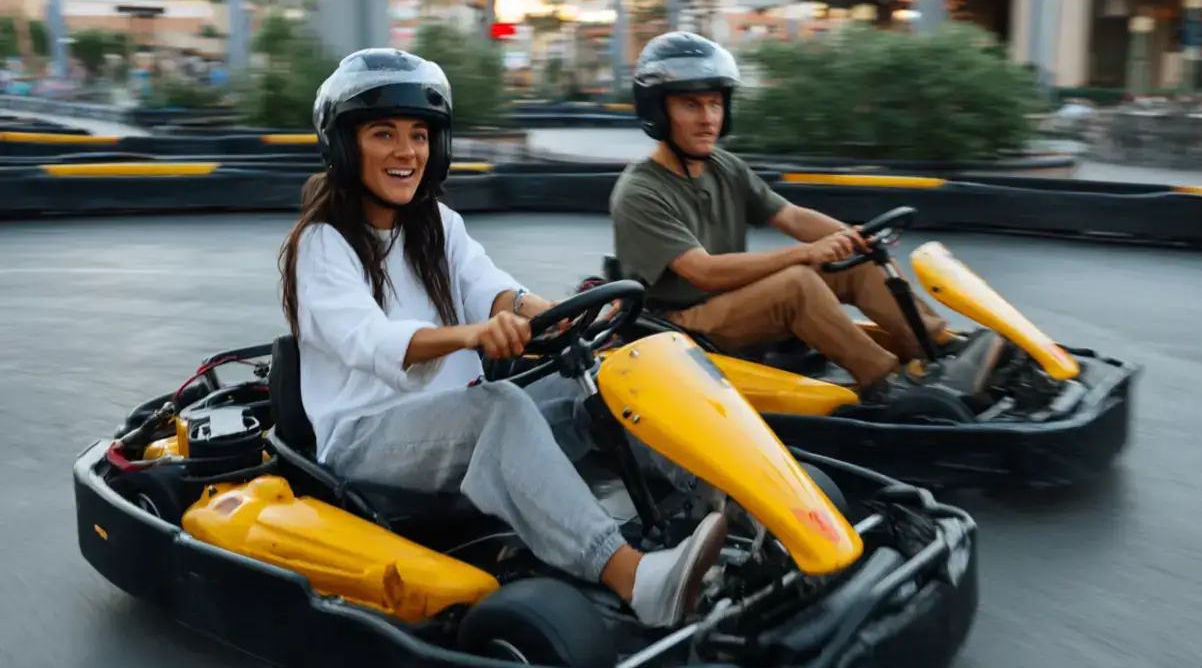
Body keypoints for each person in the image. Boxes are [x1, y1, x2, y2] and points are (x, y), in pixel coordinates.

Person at [276, 47, 728, 629]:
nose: (406, 152)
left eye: (419, 135)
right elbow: (371, 340)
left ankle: (728, 508)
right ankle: (635, 579)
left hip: (453, 419)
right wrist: (474, 335)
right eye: (384, 134)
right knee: (501, 407)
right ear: (344, 146)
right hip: (364, 439)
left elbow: (493, 289)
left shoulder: (437, 225)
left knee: (612, 376)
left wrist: (553, 313)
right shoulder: (321, 245)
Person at [609, 31, 982, 403]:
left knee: (859, 261)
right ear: (659, 112)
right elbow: (702, 272)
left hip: (733, 301)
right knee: (797, 283)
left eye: (715, 104)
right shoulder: (641, 191)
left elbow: (790, 216)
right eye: (691, 106)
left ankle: (937, 346)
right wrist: (806, 253)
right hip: (680, 328)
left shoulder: (723, 166)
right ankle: (886, 384)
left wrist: (855, 239)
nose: (708, 119)